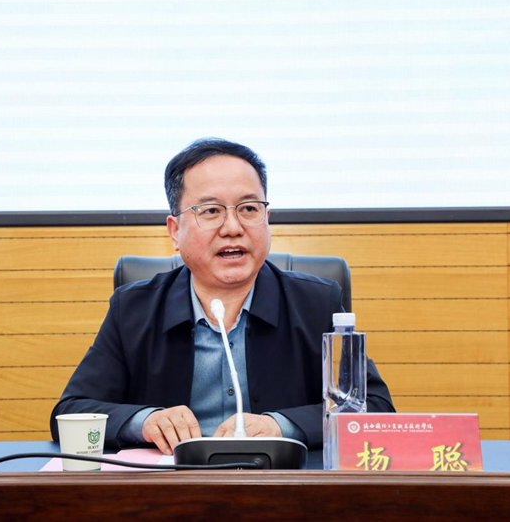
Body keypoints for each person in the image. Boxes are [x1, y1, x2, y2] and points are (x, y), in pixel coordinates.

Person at [50, 138, 394, 454]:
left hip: (280, 489)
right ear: (175, 231)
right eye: (211, 211)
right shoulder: (133, 309)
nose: (233, 227)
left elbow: (374, 409)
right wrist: (145, 421)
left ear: (267, 219)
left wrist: (282, 426)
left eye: (249, 209)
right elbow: (71, 411)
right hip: (172, 490)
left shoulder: (315, 304)